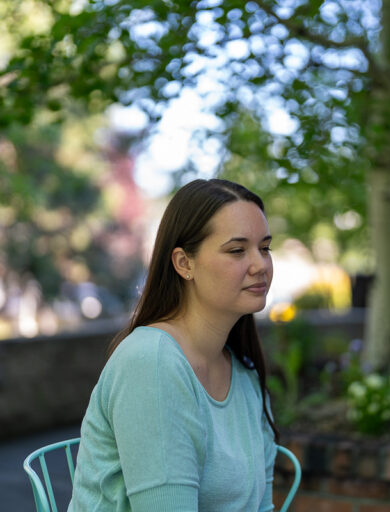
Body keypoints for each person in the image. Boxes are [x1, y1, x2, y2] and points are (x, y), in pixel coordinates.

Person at [68, 178, 279, 511]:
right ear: (184, 263)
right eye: (237, 250)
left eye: (264, 247)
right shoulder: (150, 364)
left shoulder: (245, 375)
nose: (260, 265)